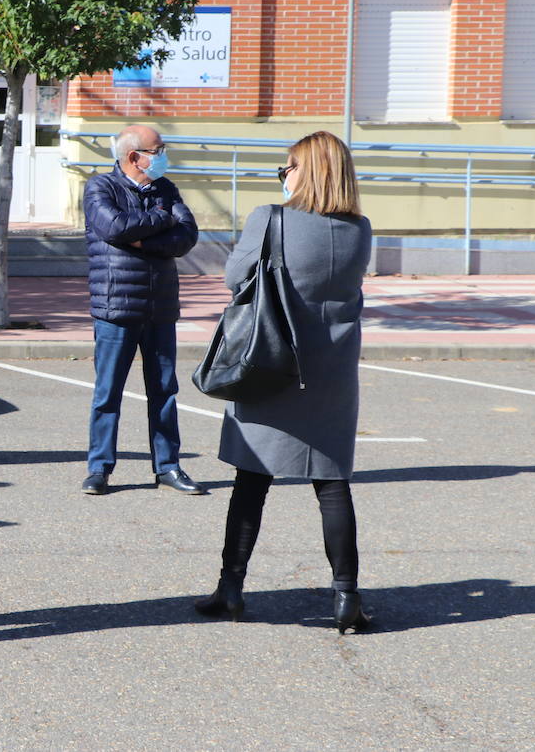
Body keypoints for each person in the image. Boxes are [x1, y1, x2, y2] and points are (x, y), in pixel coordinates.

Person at [195, 131, 374, 633]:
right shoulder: (360, 229)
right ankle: (346, 596)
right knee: (333, 485)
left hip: (270, 362)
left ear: (306, 170)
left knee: (251, 483)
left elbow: (236, 278)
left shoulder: (270, 219)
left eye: (287, 167)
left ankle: (231, 588)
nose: (283, 175)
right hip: (331, 372)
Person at [81, 125, 206, 496]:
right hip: (116, 305)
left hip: (161, 305)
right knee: (108, 393)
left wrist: (142, 237)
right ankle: (99, 469)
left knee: (164, 390)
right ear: (134, 156)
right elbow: (115, 226)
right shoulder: (100, 187)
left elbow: (187, 236)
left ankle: (168, 467)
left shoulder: (165, 189)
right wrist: (162, 221)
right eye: (159, 149)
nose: (164, 155)